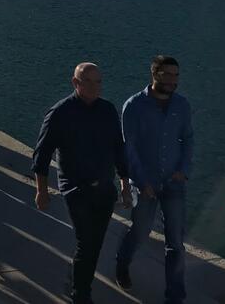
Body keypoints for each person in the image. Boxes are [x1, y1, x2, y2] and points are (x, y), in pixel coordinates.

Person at [32, 62, 133, 304]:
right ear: (75, 83)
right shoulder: (60, 113)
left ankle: (80, 282)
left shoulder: (108, 110)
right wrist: (41, 191)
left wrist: (125, 185)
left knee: (95, 244)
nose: (94, 86)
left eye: (98, 81)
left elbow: (118, 149)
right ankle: (81, 294)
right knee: (86, 242)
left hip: (105, 190)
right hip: (76, 190)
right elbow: (42, 155)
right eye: (87, 81)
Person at [115, 56, 193, 304]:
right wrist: (141, 181)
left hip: (173, 183)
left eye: (176, 75)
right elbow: (129, 149)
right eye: (167, 74)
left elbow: (188, 139)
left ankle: (175, 297)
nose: (173, 80)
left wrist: (183, 169)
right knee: (140, 232)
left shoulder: (182, 105)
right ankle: (122, 263)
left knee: (176, 243)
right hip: (144, 183)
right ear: (154, 74)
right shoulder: (134, 106)